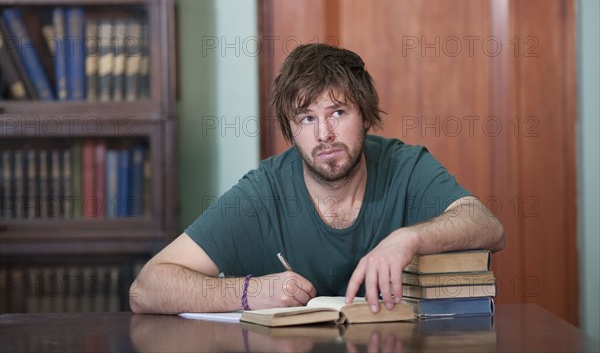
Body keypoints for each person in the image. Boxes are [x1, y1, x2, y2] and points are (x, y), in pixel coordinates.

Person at [129, 43, 505, 315]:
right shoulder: (262, 192)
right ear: (291, 131)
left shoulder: (404, 165)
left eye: (338, 112)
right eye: (307, 118)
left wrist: (410, 237)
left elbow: (487, 226)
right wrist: (250, 291)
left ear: (366, 116)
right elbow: (146, 289)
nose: (324, 133)